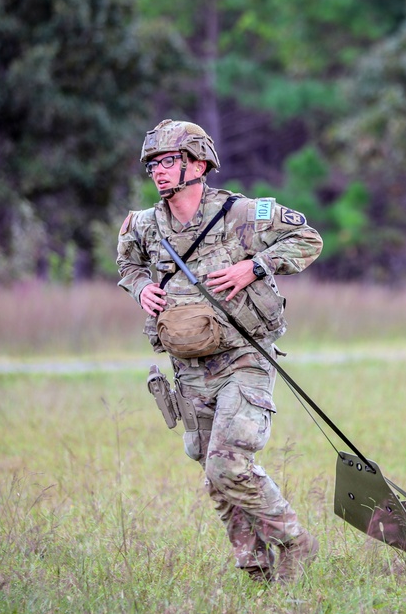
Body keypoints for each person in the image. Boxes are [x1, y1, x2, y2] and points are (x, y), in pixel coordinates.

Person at [116, 119, 323, 583]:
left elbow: (309, 239)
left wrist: (255, 266)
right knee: (214, 474)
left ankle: (294, 541)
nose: (159, 172)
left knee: (227, 463)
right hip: (188, 367)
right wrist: (142, 287)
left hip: (243, 357)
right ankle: (255, 568)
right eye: (153, 164)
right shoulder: (146, 225)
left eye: (169, 161)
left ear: (199, 162)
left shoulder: (243, 213)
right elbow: (127, 263)